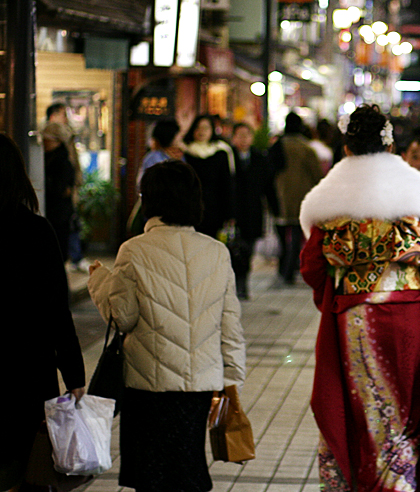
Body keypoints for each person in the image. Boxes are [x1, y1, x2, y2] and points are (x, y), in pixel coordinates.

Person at [298, 104, 420, 491]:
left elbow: (311, 266)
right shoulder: (415, 194)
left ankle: (372, 480)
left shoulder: (330, 199)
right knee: (406, 410)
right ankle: (400, 483)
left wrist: (338, 296)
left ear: (347, 148)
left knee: (370, 407)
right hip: (409, 317)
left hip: (355, 318)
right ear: (391, 147)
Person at [87, 160, 246, 492]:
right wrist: (232, 381)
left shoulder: (134, 250)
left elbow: (123, 316)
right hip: (199, 387)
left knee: (151, 475)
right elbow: (230, 325)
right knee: (188, 470)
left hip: (147, 388)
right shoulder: (217, 252)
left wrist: (100, 281)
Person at [0, 133, 86, 491]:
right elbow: (56, 310)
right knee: (26, 469)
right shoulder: (36, 231)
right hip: (27, 373)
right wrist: (74, 372)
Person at [231, 122, 279, 299]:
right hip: (233, 211)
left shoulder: (259, 158)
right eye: (240, 135)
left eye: (246, 135)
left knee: (248, 248)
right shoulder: (228, 157)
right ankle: (235, 283)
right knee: (233, 249)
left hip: (253, 211)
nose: (243, 139)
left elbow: (268, 186)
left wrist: (275, 209)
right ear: (234, 137)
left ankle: (243, 283)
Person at [275, 112, 323, 284]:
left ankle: (282, 269)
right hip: (301, 197)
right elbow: (316, 175)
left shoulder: (277, 146)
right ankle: (289, 271)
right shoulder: (306, 148)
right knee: (296, 235)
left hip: (278, 196)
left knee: (281, 235)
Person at [46, 103, 91, 273]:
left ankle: (75, 256)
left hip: (62, 200)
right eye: (62, 113)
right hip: (59, 202)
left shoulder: (63, 146)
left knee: (70, 222)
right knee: (68, 223)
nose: (65, 116)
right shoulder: (55, 144)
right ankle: (75, 256)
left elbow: (73, 164)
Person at [183, 114, 235, 237]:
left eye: (206, 128)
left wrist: (230, 214)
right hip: (190, 210)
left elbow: (227, 185)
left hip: (215, 210)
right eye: (198, 128)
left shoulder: (220, 153)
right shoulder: (185, 153)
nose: (202, 132)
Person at [42, 121, 77, 263]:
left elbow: (59, 188)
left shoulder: (60, 161)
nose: (44, 143)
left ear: (56, 141)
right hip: (58, 214)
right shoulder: (55, 158)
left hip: (57, 215)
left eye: (47, 140)